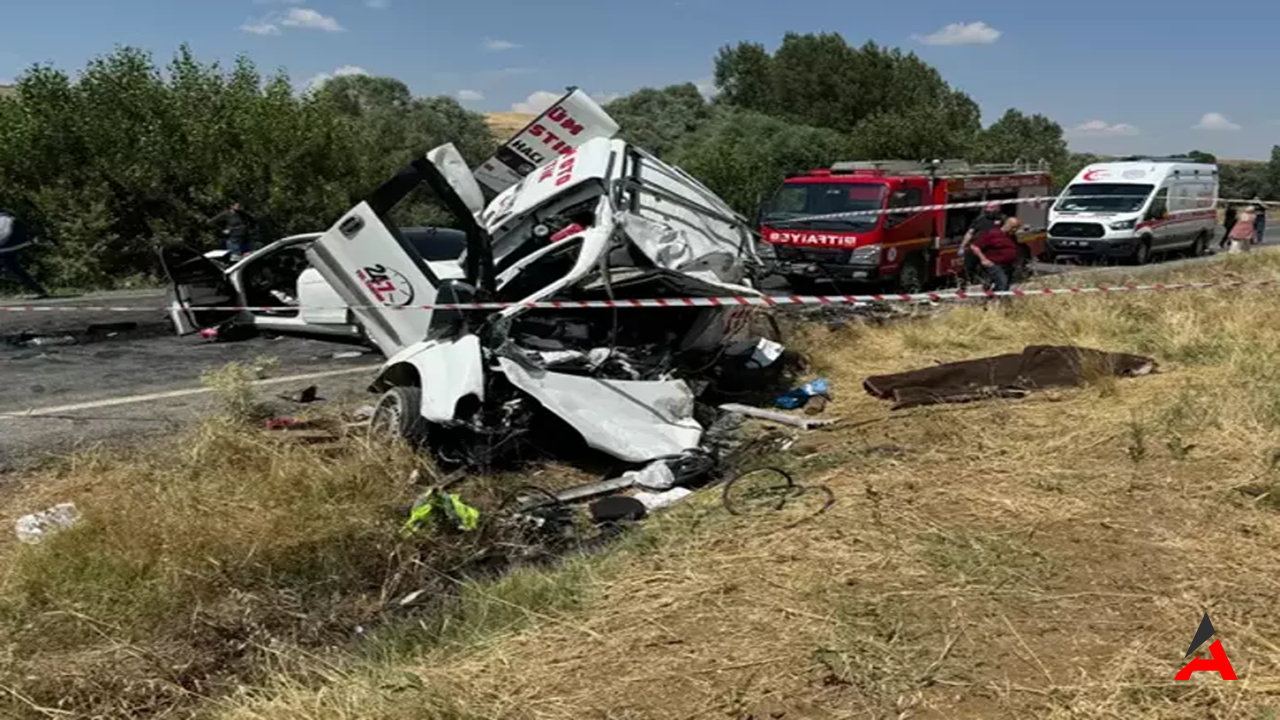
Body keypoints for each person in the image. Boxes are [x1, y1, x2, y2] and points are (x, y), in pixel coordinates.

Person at [0, 208, 49, 298]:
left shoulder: (4, 218)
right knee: (13, 268)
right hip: (8, 246)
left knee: (11, 269)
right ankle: (39, 290)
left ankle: (37, 290)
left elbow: (4, 234)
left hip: (10, 244)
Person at [971, 216, 1022, 293]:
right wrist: (983, 259)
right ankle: (997, 300)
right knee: (1002, 282)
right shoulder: (993, 234)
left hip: (1007, 265)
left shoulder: (1012, 236)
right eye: (1013, 227)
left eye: (1016, 228)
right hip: (994, 264)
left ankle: (992, 299)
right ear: (1007, 225)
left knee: (1005, 284)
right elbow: (974, 246)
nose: (1015, 230)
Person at [959, 202, 1004, 286]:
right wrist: (962, 246)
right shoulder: (980, 220)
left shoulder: (1002, 220)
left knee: (989, 269)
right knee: (967, 267)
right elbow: (970, 233)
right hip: (977, 247)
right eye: (987, 211)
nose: (989, 213)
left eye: (991, 211)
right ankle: (962, 286)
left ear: (997, 210)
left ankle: (988, 285)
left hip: (991, 249)